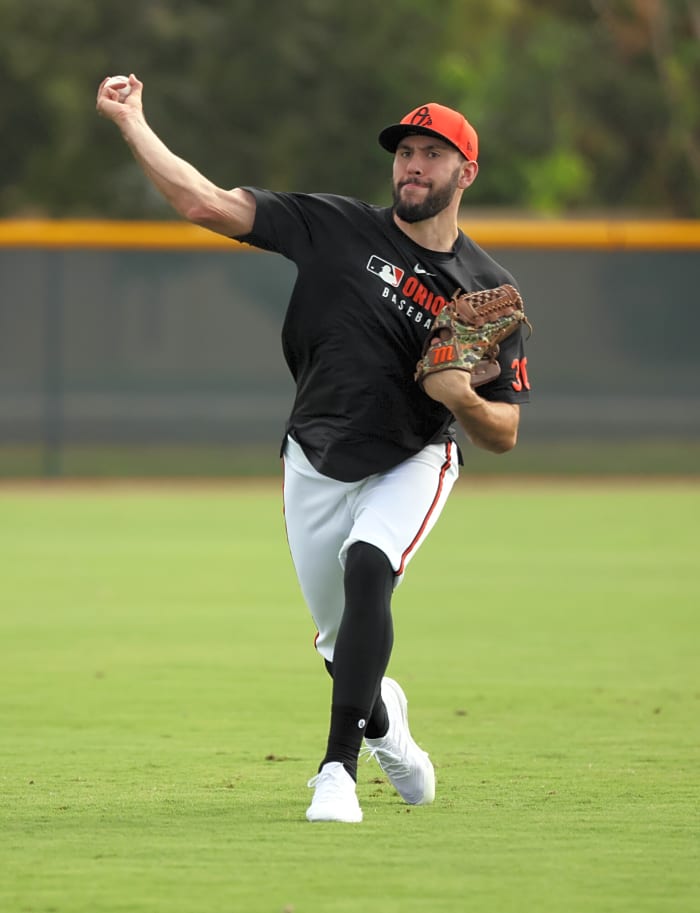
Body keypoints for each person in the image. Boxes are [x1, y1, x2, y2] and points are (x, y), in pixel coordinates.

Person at [97, 78, 532, 823]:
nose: (413, 165)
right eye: (405, 152)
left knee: (371, 564)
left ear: (467, 172)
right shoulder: (333, 227)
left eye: (433, 153)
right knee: (341, 647)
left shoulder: (488, 290)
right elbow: (204, 202)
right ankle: (386, 723)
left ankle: (338, 770)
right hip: (314, 457)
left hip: (412, 456)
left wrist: (459, 396)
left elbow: (504, 430)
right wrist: (133, 121)